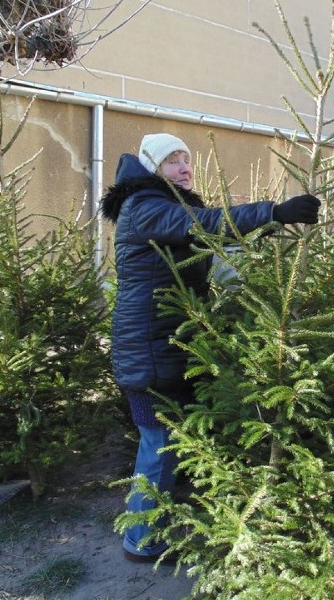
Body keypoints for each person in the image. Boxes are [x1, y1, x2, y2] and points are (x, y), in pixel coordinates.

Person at [100, 133, 320, 563]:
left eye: (187, 160)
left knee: (163, 442)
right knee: (159, 443)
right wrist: (274, 210)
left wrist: (269, 227)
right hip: (149, 351)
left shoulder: (164, 207)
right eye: (173, 161)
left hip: (165, 345)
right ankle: (140, 539)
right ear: (152, 168)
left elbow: (212, 236)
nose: (185, 168)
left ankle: (149, 525)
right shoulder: (145, 206)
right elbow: (207, 225)